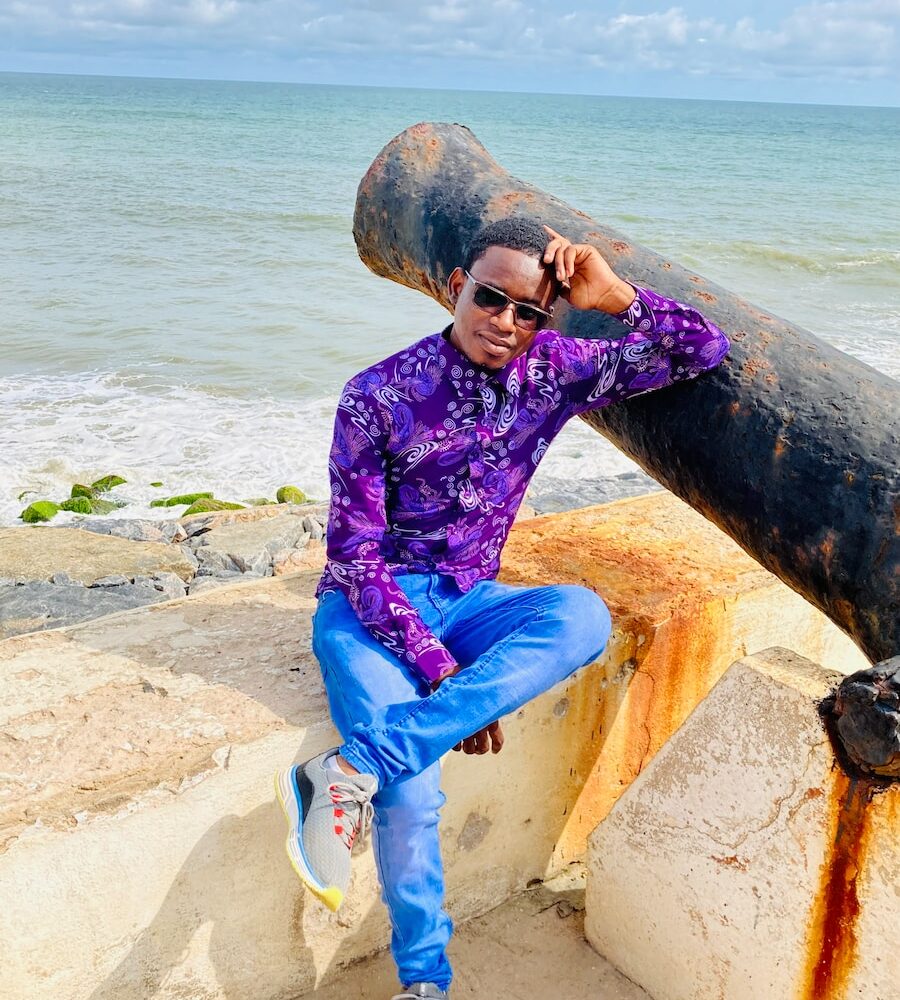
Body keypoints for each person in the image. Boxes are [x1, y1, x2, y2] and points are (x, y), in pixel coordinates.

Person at [274, 217, 730, 1000]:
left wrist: (614, 295)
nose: (508, 322)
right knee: (412, 791)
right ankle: (426, 983)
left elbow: (700, 348)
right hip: (369, 610)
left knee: (582, 616)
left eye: (530, 311)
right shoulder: (377, 395)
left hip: (471, 597)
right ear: (457, 286)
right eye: (492, 299)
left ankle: (347, 770)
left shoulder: (550, 370)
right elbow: (353, 561)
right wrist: (442, 672)